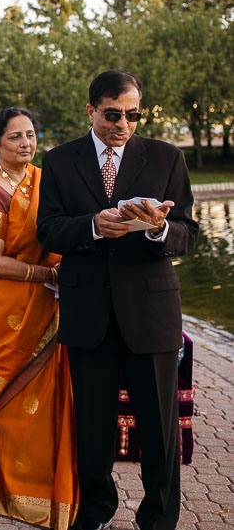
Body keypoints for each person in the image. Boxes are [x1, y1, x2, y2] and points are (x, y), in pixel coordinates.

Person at [37, 72, 199, 530]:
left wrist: (157, 229)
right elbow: (47, 229)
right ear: (91, 111)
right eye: (112, 114)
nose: (123, 123)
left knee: (160, 429)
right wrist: (92, 225)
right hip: (88, 314)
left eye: (132, 114)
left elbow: (189, 233)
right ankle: (95, 512)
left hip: (151, 313)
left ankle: (159, 519)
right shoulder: (60, 160)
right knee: (93, 428)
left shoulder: (167, 157)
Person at [0, 107, 78, 529]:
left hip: (45, 305)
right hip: (6, 311)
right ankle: (7, 492)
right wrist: (49, 274)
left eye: (30, 135)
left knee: (50, 401)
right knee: (9, 398)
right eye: (15, 137)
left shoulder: (42, 178)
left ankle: (51, 487)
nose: (26, 143)